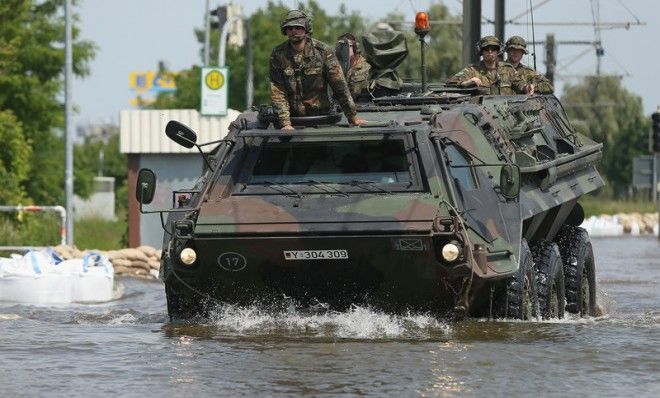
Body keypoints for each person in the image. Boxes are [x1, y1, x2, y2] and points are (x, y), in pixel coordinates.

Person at [269, 10, 365, 130]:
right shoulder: (278, 54)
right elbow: (278, 91)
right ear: (285, 31)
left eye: (298, 27)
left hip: (321, 119)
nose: (293, 31)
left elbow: (339, 86)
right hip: (292, 120)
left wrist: (352, 117)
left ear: (306, 28)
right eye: (289, 28)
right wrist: (285, 123)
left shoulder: (323, 52)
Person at [446, 35, 532, 95]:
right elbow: (450, 83)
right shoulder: (473, 70)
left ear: (497, 51)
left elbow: (519, 83)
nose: (490, 51)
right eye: (486, 49)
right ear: (481, 51)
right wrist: (467, 82)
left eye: (493, 49)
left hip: (506, 113)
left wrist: (526, 88)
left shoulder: (507, 69)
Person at [335, 33, 371, 98]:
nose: (342, 49)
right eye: (340, 46)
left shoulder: (367, 68)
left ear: (355, 47)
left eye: (345, 46)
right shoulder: (336, 67)